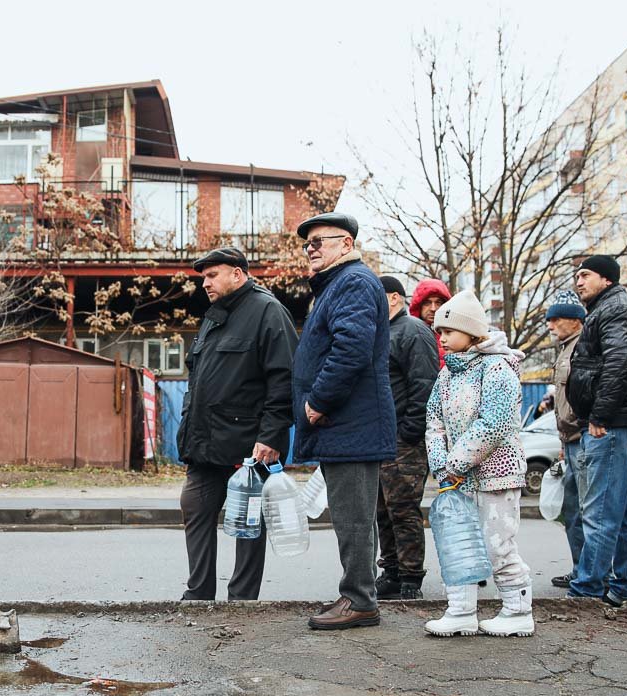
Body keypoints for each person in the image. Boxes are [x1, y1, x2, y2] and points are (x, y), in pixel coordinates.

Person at [290, 213, 396, 630]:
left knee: (353, 518)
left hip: (349, 423)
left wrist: (317, 401)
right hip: (346, 424)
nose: (311, 248)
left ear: (347, 244)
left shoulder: (352, 282)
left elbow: (350, 349)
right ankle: (356, 592)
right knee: (352, 516)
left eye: (320, 240)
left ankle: (361, 601)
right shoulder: (339, 285)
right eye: (308, 243)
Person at [177, 246, 298, 601]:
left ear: (237, 273)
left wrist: (272, 435)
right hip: (204, 442)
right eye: (203, 278)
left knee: (248, 521)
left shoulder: (268, 311)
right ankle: (198, 593)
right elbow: (196, 377)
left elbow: (284, 378)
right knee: (195, 506)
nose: (206, 284)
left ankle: (242, 598)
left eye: (212, 275)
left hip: (249, 446)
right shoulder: (214, 316)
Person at [424, 290, 534, 637]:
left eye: (448, 331)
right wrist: (442, 463)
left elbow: (494, 423)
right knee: (459, 542)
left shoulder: (497, 369)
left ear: (471, 332)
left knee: (495, 543)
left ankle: (518, 610)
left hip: (495, 476)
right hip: (458, 478)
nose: (441, 338)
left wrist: (455, 463)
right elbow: (434, 421)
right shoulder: (447, 374)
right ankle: (460, 611)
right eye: (439, 332)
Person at [566, 255, 627, 607]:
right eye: (576, 276)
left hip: (613, 425)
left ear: (606, 279)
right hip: (622, 422)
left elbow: (622, 359)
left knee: (600, 510)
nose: (578, 281)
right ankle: (626, 586)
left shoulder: (615, 309)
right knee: (624, 510)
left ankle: (587, 588)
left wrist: (600, 415)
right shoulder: (611, 308)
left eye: (585, 275)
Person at [375, 275, 439, 600]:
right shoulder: (382, 332)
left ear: (395, 298)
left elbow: (424, 383)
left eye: (377, 296)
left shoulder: (413, 330)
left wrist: (411, 430)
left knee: (402, 508)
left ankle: (411, 576)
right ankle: (392, 572)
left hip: (404, 439)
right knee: (382, 510)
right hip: (380, 439)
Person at [543, 290, 588, 589]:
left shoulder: (583, 347)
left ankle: (591, 573)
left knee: (587, 510)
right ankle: (581, 569)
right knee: (572, 510)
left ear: (575, 320)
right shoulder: (565, 348)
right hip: (570, 439)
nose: (550, 325)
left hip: (584, 437)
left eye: (555, 319)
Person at [410, 279, 453, 367]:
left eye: (438, 303)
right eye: (427, 303)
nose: (433, 308)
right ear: (419, 306)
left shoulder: (457, 334)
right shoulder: (409, 335)